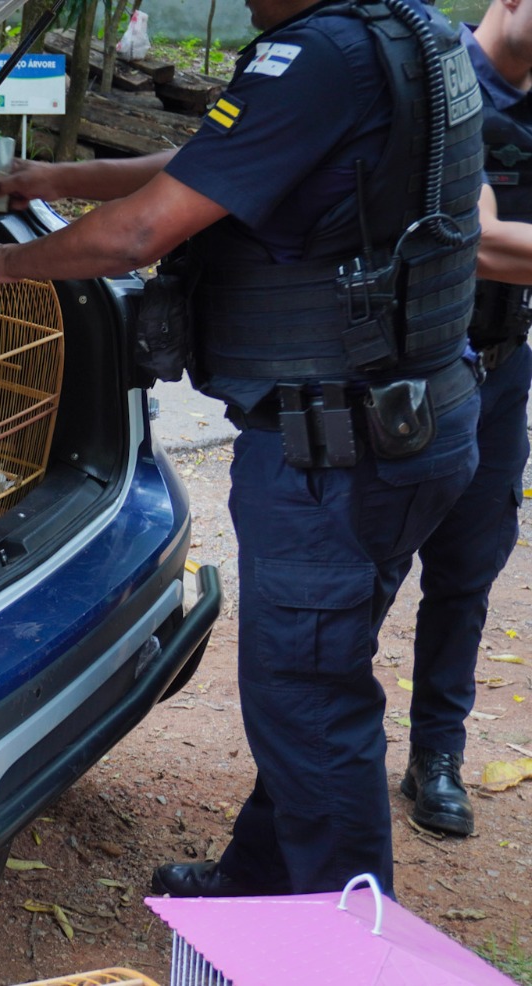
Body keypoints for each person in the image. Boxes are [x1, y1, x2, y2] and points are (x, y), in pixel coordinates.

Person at [0, 0, 483, 897]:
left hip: (332, 449)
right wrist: (60, 177)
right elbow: (219, 159)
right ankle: (257, 885)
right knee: (311, 685)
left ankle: (332, 942)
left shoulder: (316, 58)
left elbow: (140, 234)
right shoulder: (405, 30)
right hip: (411, 423)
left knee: (308, 700)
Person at [394, 0, 532, 839]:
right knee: (362, 574)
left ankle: (436, 754)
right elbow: (475, 243)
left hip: (505, 366)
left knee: (468, 571)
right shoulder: (436, 74)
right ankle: (313, 766)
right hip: (413, 374)